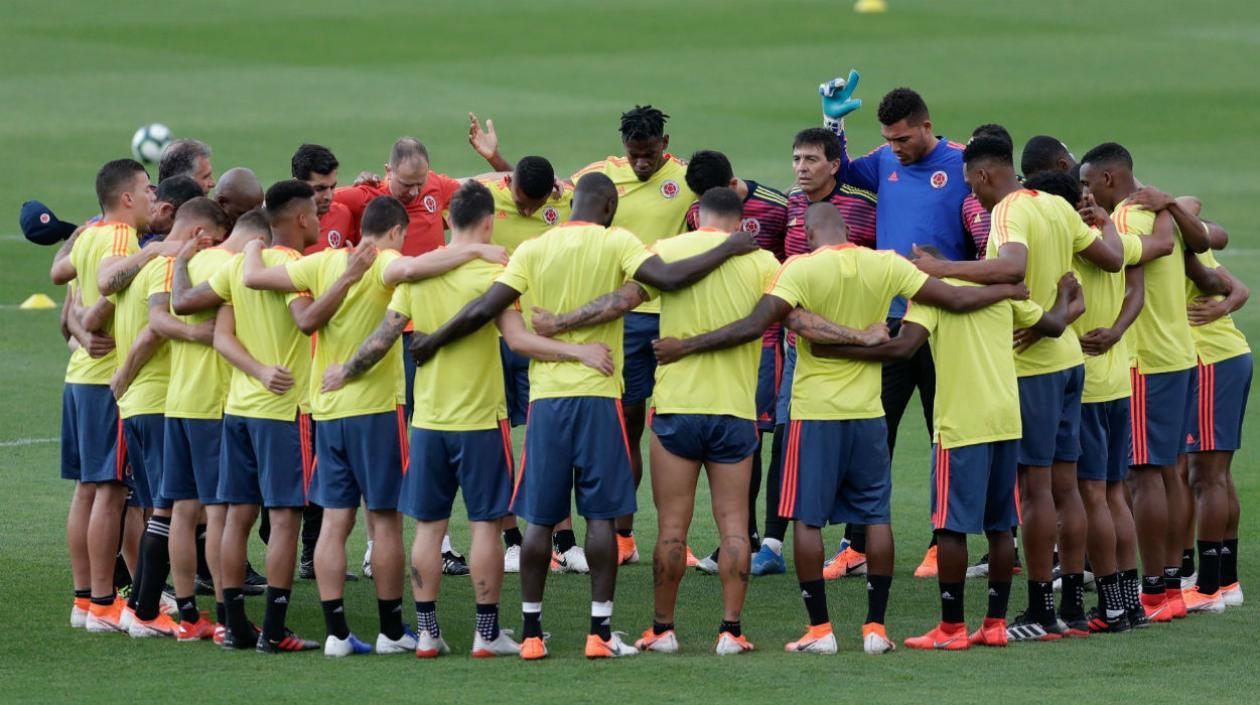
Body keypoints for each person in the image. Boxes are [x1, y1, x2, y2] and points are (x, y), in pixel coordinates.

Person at [406, 172, 759, 659]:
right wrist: (731, 246)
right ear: (611, 207)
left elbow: (484, 308)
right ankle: (598, 633)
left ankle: (530, 635)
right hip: (599, 396)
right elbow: (671, 280)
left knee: (538, 522)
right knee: (599, 518)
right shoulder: (618, 241)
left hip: (547, 401)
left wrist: (431, 340)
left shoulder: (533, 248)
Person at [651, 202, 1028, 655]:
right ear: (848, 229)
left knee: (808, 521)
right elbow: (957, 299)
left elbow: (757, 323)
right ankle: (875, 629)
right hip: (868, 414)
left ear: (808, 235)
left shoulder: (798, 268)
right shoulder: (885, 263)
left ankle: (821, 630)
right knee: (875, 518)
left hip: (815, 414)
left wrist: (684, 346)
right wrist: (1007, 292)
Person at [327, 181, 612, 658]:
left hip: (429, 422)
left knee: (428, 529)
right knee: (485, 526)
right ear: (487, 223)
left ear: (446, 221)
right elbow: (519, 341)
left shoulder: (420, 273)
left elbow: (384, 337)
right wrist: (578, 351)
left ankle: (426, 634)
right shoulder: (493, 272)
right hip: (481, 420)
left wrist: (345, 372)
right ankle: (485, 634)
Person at [241, 193, 508, 656]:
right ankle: (390, 630)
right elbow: (408, 271)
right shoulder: (386, 261)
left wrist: (249, 243)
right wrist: (476, 251)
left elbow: (254, 276)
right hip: (376, 411)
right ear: (396, 232)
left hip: (327, 412)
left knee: (332, 524)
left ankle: (336, 635)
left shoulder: (321, 262)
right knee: (384, 523)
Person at [532, 188, 792, 654]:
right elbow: (789, 319)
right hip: (735, 410)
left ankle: (663, 629)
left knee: (673, 527)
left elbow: (618, 302)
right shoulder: (761, 262)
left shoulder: (667, 250)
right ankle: (731, 632)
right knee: (734, 526)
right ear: (740, 220)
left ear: (697, 217)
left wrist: (561, 323)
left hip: (676, 409)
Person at [911, 136, 1125, 640]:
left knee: (1033, 493)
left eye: (971, 185)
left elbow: (1012, 269)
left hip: (1033, 369)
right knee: (1067, 488)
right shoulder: (1056, 204)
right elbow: (1112, 260)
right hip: (1071, 360)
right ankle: (1072, 605)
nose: (974, 198)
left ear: (985, 176)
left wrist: (940, 268)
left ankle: (1041, 610)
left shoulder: (1009, 209)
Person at [819, 252, 1078, 650]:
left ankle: (952, 627)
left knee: (950, 526)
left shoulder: (930, 298)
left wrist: (836, 351)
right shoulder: (1000, 291)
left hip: (961, 423)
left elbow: (903, 349)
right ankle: (994, 624)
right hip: (1007, 420)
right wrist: (1065, 294)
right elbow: (1055, 324)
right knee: (1000, 524)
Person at [822, 87, 989, 579]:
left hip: (946, 321)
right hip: (893, 319)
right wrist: (834, 126)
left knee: (947, 433)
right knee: (875, 430)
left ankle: (944, 541)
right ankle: (857, 543)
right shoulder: (880, 162)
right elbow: (842, 175)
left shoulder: (961, 163)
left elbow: (994, 226)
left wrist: (955, 271)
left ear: (925, 125)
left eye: (902, 139)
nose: (896, 148)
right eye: (888, 140)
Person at [171, 179, 324, 652]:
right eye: (317, 213)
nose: (321, 221)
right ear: (301, 219)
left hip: (236, 409)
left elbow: (193, 313)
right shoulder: (297, 268)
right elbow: (309, 319)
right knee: (284, 520)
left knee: (237, 516)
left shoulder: (238, 268)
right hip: (283, 411)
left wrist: (178, 261)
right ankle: (274, 630)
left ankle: (234, 625)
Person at [1078, 142, 1213, 623]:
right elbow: (1198, 228)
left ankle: (1153, 589)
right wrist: (1175, 202)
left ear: (1110, 180)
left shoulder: (1128, 221)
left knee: (1142, 476)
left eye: (1089, 182)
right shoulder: (1163, 213)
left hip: (1144, 361)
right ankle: (1172, 585)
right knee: (1171, 470)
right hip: (1179, 355)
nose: (1085, 192)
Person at [1024, 169, 1147, 632]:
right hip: (1118, 380)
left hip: (1086, 382)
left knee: (1091, 495)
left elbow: (1068, 301)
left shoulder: (1072, 242)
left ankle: (1112, 605)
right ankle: (1128, 604)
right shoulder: (1109, 237)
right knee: (1117, 493)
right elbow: (1134, 276)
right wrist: (1111, 221)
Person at [107, 198, 231, 638]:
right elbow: (155, 324)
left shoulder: (148, 262)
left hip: (149, 399)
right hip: (159, 398)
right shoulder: (167, 264)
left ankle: (149, 609)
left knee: (168, 507)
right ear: (203, 234)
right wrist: (125, 372)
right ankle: (144, 611)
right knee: (173, 508)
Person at [1123, 186, 1249, 613]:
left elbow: (1234, 284)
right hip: (1220, 357)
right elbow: (1230, 272)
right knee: (1211, 475)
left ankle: (1210, 587)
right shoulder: (1181, 234)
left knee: (1203, 477)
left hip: (1210, 358)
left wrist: (1222, 305)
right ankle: (1224, 581)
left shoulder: (1165, 241)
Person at [50, 159, 163, 633]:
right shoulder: (119, 239)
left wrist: (79, 327)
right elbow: (105, 289)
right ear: (126, 198)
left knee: (88, 491)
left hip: (79, 376)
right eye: (146, 189)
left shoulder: (91, 235)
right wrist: (159, 253)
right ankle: (102, 603)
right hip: (106, 383)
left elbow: (67, 286)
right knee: (112, 494)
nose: (154, 197)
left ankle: (84, 600)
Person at [766, 128, 877, 580]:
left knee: (857, 443)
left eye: (811, 159)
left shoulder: (862, 206)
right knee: (785, 434)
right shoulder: (792, 202)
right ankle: (772, 542)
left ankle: (855, 543)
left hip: (853, 346)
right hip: (799, 346)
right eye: (796, 159)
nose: (801, 168)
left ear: (835, 164)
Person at [163, 208, 270, 644]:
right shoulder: (235, 267)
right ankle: (228, 616)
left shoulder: (194, 260)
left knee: (185, 511)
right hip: (214, 404)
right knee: (221, 513)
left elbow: (173, 305)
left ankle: (189, 613)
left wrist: (182, 263)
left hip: (179, 400)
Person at [682, 151, 789, 575]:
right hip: (715, 344)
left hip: (762, 344)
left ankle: (768, 544)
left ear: (731, 187)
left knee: (756, 437)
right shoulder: (696, 213)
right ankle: (741, 538)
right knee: (736, 437)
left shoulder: (778, 208)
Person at [291, 144, 355, 254]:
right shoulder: (279, 224)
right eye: (319, 189)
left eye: (332, 187)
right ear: (296, 184)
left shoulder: (343, 215)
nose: (329, 196)